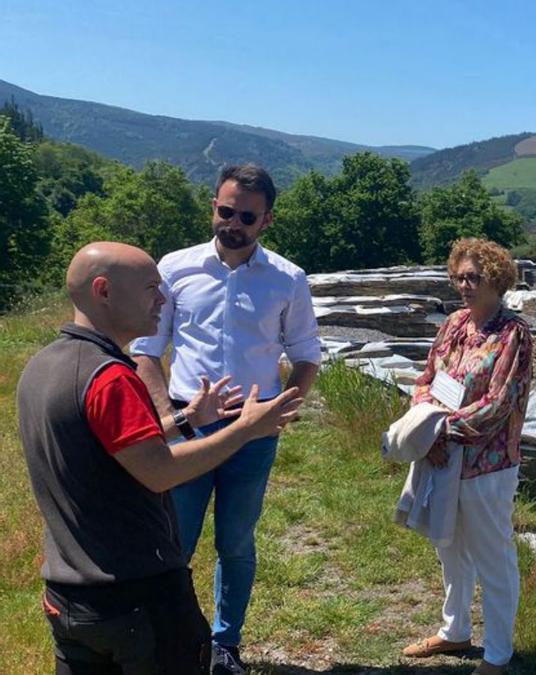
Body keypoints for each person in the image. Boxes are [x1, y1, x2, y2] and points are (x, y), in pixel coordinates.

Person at [18, 242, 302, 674]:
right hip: (136, 598)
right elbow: (158, 470)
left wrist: (186, 419)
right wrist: (247, 428)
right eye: (152, 287)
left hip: (67, 596)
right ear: (103, 291)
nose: (164, 298)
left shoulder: (45, 365)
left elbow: (110, 446)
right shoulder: (111, 378)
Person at [130, 164, 321, 675]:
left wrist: (283, 409)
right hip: (189, 420)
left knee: (235, 540)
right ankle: (173, 639)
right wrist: (170, 414)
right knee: (175, 540)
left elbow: (306, 355)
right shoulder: (175, 268)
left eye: (246, 216)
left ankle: (224, 644)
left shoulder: (288, 278)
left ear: (267, 221)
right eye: (224, 210)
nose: (232, 223)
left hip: (252, 431)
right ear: (212, 206)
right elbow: (147, 348)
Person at [402, 238, 533, 675]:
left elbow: (498, 404)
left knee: (492, 555)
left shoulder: (512, 335)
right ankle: (455, 630)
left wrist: (439, 430)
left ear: (496, 279)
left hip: (486, 465)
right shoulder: (456, 323)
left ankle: (498, 654)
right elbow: (427, 378)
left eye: (473, 277)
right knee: (450, 546)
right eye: (458, 277)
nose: (463, 285)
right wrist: (426, 427)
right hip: (442, 456)